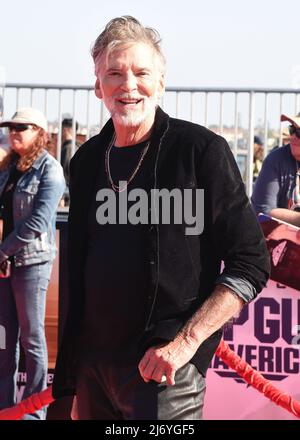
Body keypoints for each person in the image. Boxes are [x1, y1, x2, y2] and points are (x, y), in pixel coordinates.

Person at [52, 16, 270, 420]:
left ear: (162, 81)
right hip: (94, 371)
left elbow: (251, 261)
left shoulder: (199, 151)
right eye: (114, 73)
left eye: (141, 72)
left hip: (165, 372)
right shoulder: (84, 162)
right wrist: (73, 379)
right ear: (98, 85)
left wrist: (185, 344)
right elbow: (79, 274)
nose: (128, 85)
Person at [0, 107, 65, 419]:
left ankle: (33, 412)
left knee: (31, 338)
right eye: (11, 127)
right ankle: (5, 408)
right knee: (4, 338)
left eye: (22, 127)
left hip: (31, 263)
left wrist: (3, 250)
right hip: (5, 263)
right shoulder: (7, 167)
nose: (14, 132)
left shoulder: (50, 170)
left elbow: (38, 221)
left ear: (40, 132)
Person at [252, 113, 300, 227]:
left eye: (299, 133)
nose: (293, 137)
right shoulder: (276, 159)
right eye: (292, 130)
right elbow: (263, 210)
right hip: (282, 240)